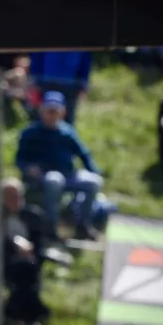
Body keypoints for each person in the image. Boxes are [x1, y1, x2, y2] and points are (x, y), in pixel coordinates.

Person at [16, 91, 102, 240]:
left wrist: (93, 170)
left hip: (69, 174)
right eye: (49, 111)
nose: (52, 115)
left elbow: (83, 153)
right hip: (44, 176)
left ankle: (83, 225)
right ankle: (51, 227)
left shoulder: (67, 132)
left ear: (62, 113)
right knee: (54, 180)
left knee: (94, 182)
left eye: (55, 112)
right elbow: (20, 159)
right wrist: (28, 168)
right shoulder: (31, 133)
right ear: (42, 111)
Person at [0, 178, 49, 325]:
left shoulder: (33, 215)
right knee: (24, 274)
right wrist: (14, 243)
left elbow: (40, 243)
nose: (15, 200)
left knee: (27, 271)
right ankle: (32, 316)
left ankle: (16, 314)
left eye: (18, 196)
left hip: (29, 262)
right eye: (10, 197)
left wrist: (30, 251)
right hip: (2, 260)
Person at [27, 51, 93, 125]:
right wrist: (34, 79)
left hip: (71, 84)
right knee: (43, 116)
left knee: (68, 118)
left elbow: (85, 58)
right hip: (46, 81)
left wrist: (83, 83)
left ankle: (67, 132)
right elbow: (37, 55)